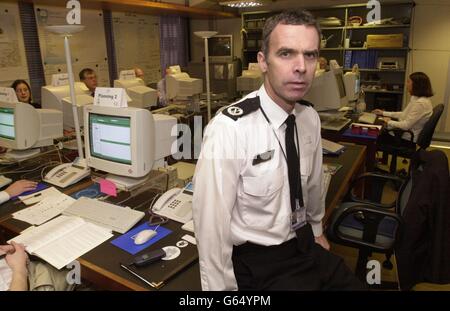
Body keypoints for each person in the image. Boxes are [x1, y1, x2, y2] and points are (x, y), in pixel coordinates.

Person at [192, 10, 362, 291]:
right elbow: (210, 228)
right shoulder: (230, 128)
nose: (301, 67)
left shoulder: (308, 116)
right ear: (263, 62)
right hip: (259, 261)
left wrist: (317, 229)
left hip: (304, 242)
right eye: (286, 54)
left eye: (310, 55)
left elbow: (315, 185)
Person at [373, 71, 433, 143]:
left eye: (408, 82)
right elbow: (404, 114)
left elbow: (406, 125)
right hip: (403, 132)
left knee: (374, 134)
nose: (406, 84)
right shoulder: (417, 98)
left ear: (416, 85)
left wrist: (388, 121)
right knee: (378, 126)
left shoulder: (421, 104)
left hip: (405, 137)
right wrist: (383, 113)